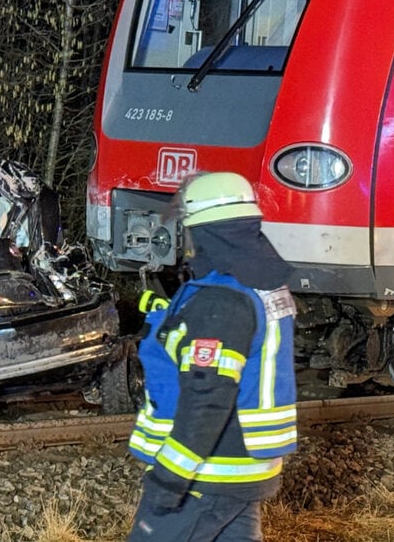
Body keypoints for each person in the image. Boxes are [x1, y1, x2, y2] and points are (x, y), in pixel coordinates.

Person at [127, 171, 297, 541]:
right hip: (243, 468)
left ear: (202, 232)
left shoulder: (221, 300)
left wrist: (170, 479)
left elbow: (207, 398)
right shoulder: (260, 283)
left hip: (208, 472)